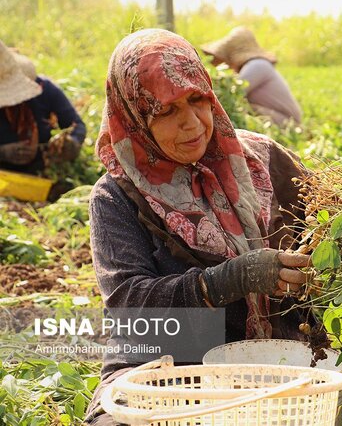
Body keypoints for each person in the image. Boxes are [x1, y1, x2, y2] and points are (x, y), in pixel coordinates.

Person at [84, 29, 314, 425]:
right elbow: (129, 306)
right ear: (136, 117)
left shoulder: (262, 159)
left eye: (197, 100)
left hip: (280, 361)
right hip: (169, 368)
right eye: (166, 111)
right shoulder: (117, 196)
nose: (191, 124)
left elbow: (326, 227)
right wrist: (227, 280)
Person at [0, 40, 86, 175]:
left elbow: (77, 126)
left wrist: (71, 144)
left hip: (42, 171)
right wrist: (3, 153)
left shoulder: (44, 90)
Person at [202, 27, 303, 127]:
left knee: (241, 109)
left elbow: (234, 92)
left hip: (287, 123)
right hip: (277, 118)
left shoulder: (257, 65)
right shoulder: (255, 65)